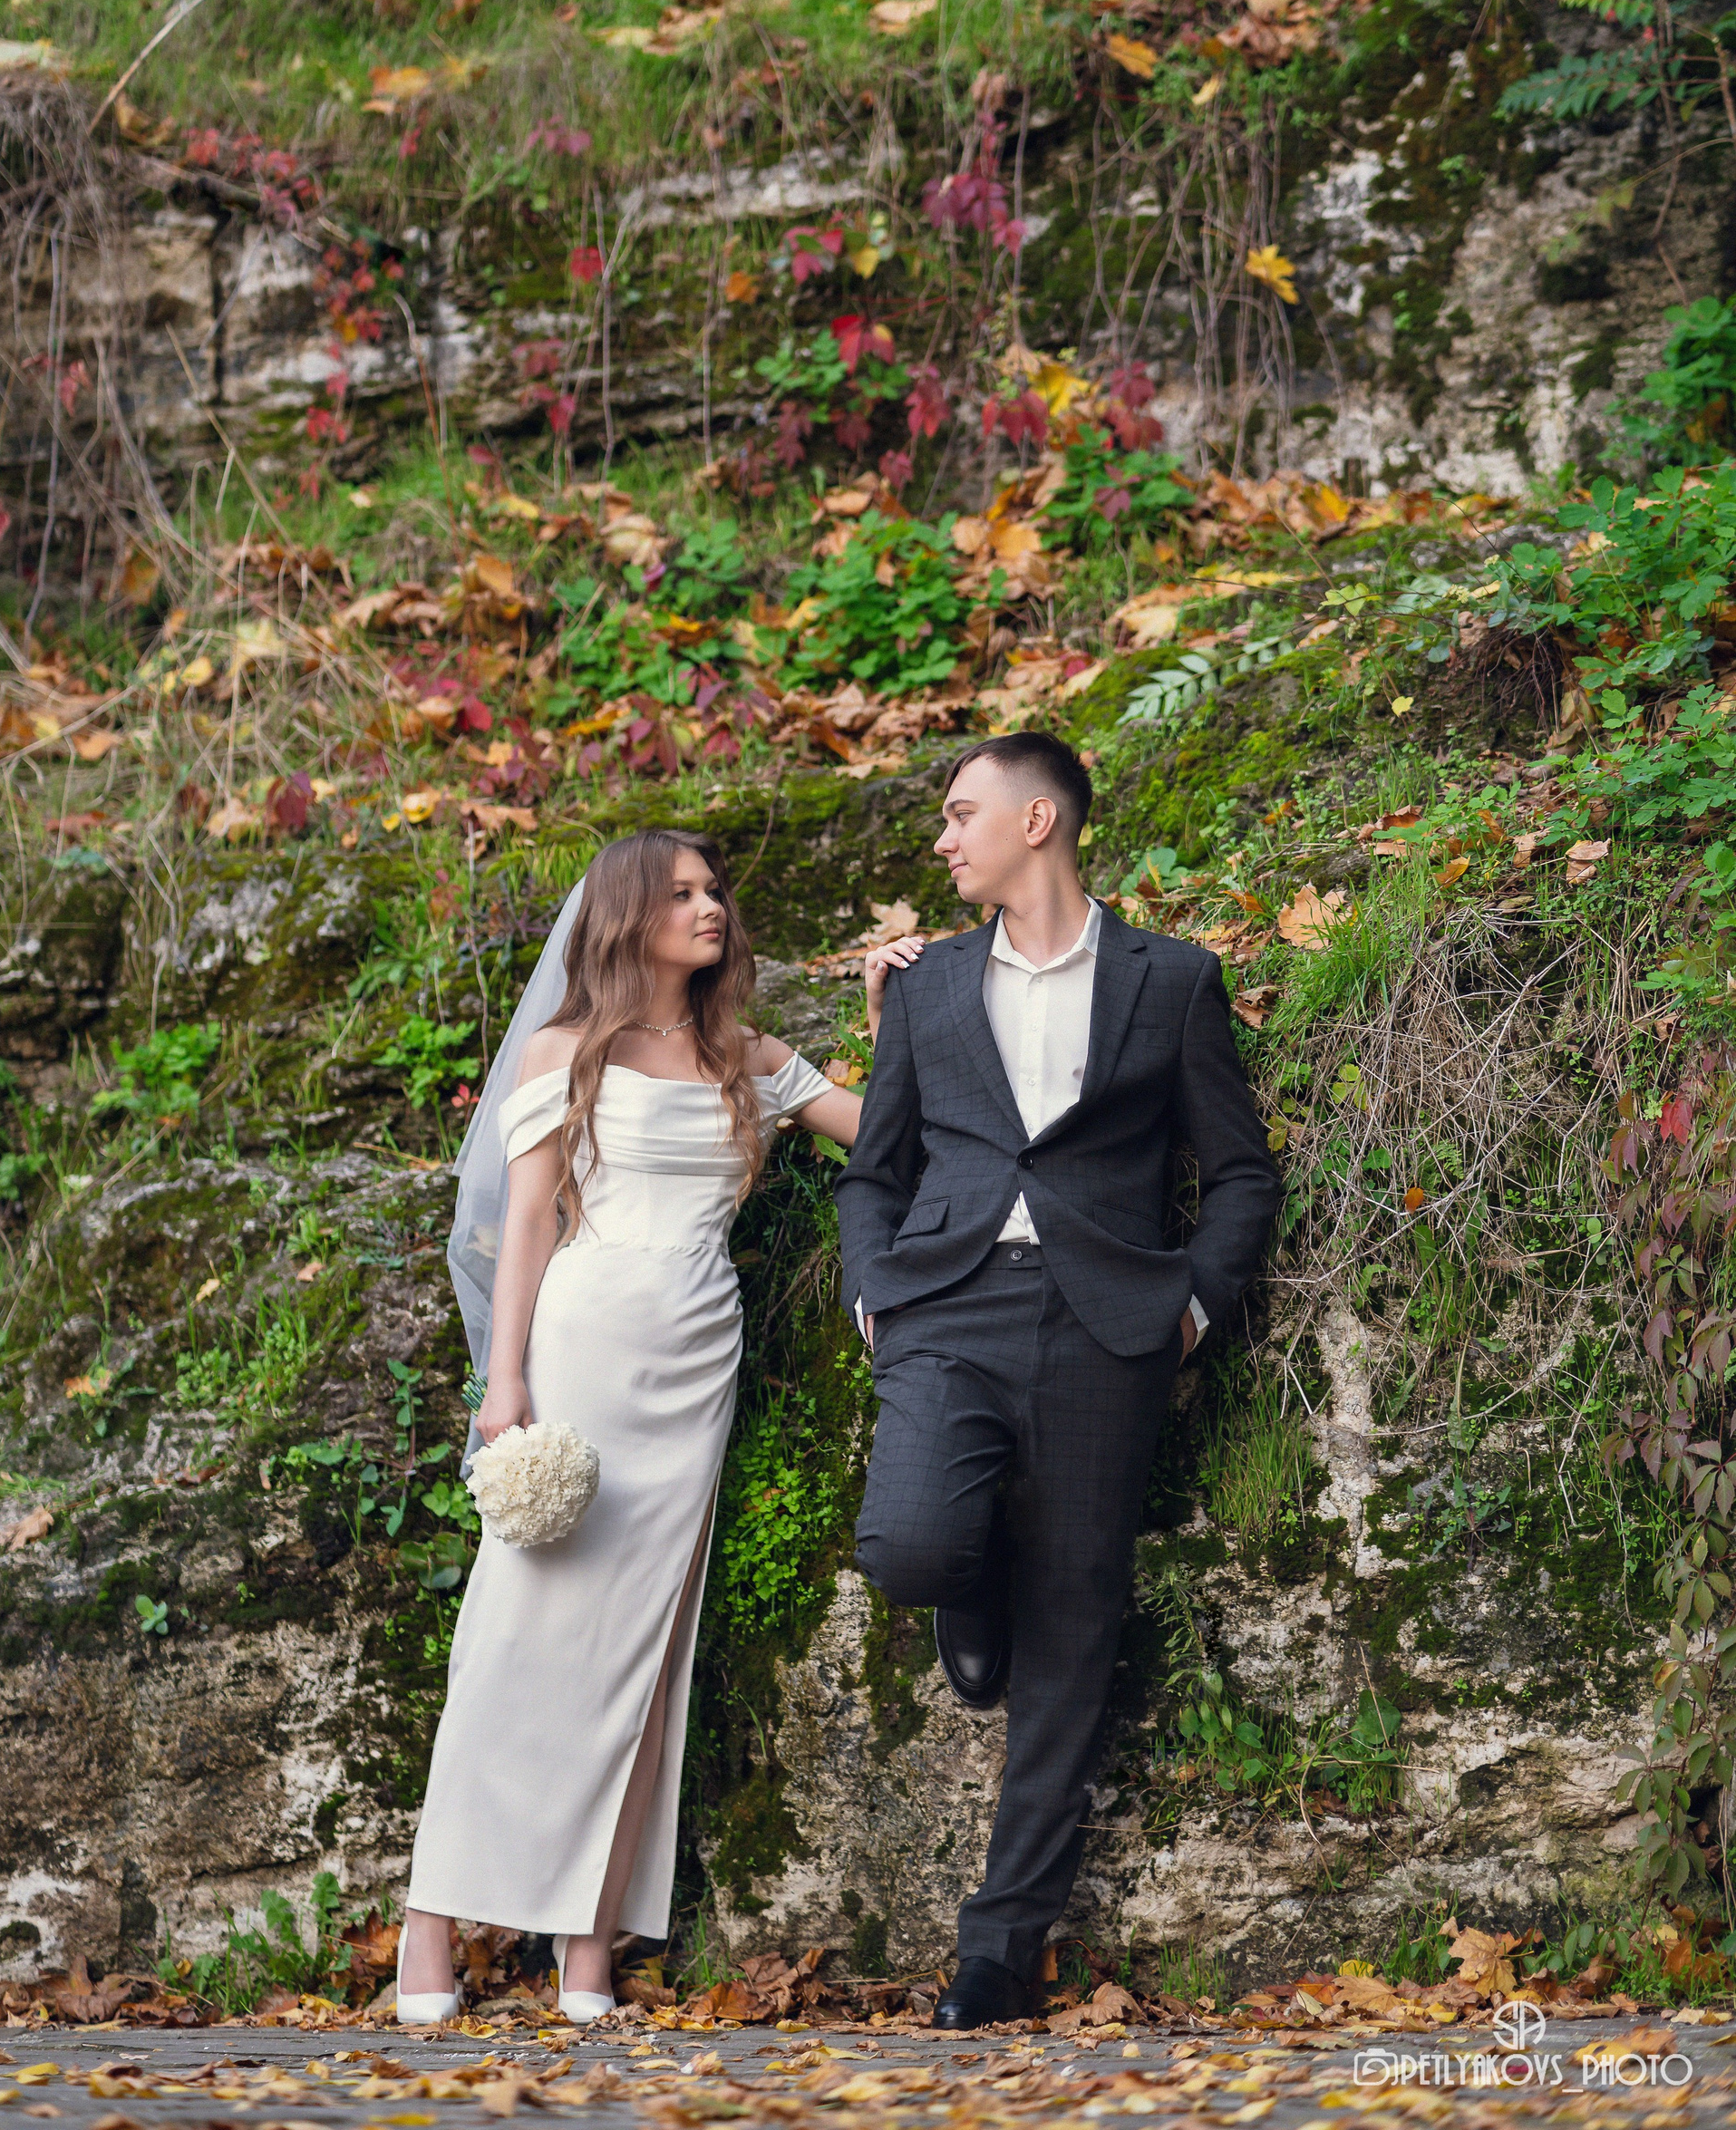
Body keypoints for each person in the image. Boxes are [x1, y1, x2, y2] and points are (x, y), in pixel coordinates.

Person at [397, 827, 917, 2023]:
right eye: (680, 893)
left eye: (712, 890)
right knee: (512, 1641)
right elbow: (525, 1224)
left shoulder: (748, 1057)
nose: (708, 907)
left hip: (695, 1363)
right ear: (627, 915)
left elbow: (889, 1138)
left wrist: (887, 1026)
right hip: (581, 1351)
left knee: (647, 1658)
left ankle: (587, 1947)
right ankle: (432, 1925)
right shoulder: (563, 1050)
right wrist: (504, 1383)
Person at [837, 731, 1281, 2029]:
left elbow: (1240, 1172)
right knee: (909, 1544)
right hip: (945, 1305)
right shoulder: (927, 985)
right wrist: (874, 1297)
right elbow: (875, 1170)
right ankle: (967, 1585)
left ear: (1039, 821)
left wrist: (1194, 1306)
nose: (942, 839)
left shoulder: (1172, 979)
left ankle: (1001, 1949)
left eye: (960, 813)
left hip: (1109, 1322)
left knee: (1077, 1626)